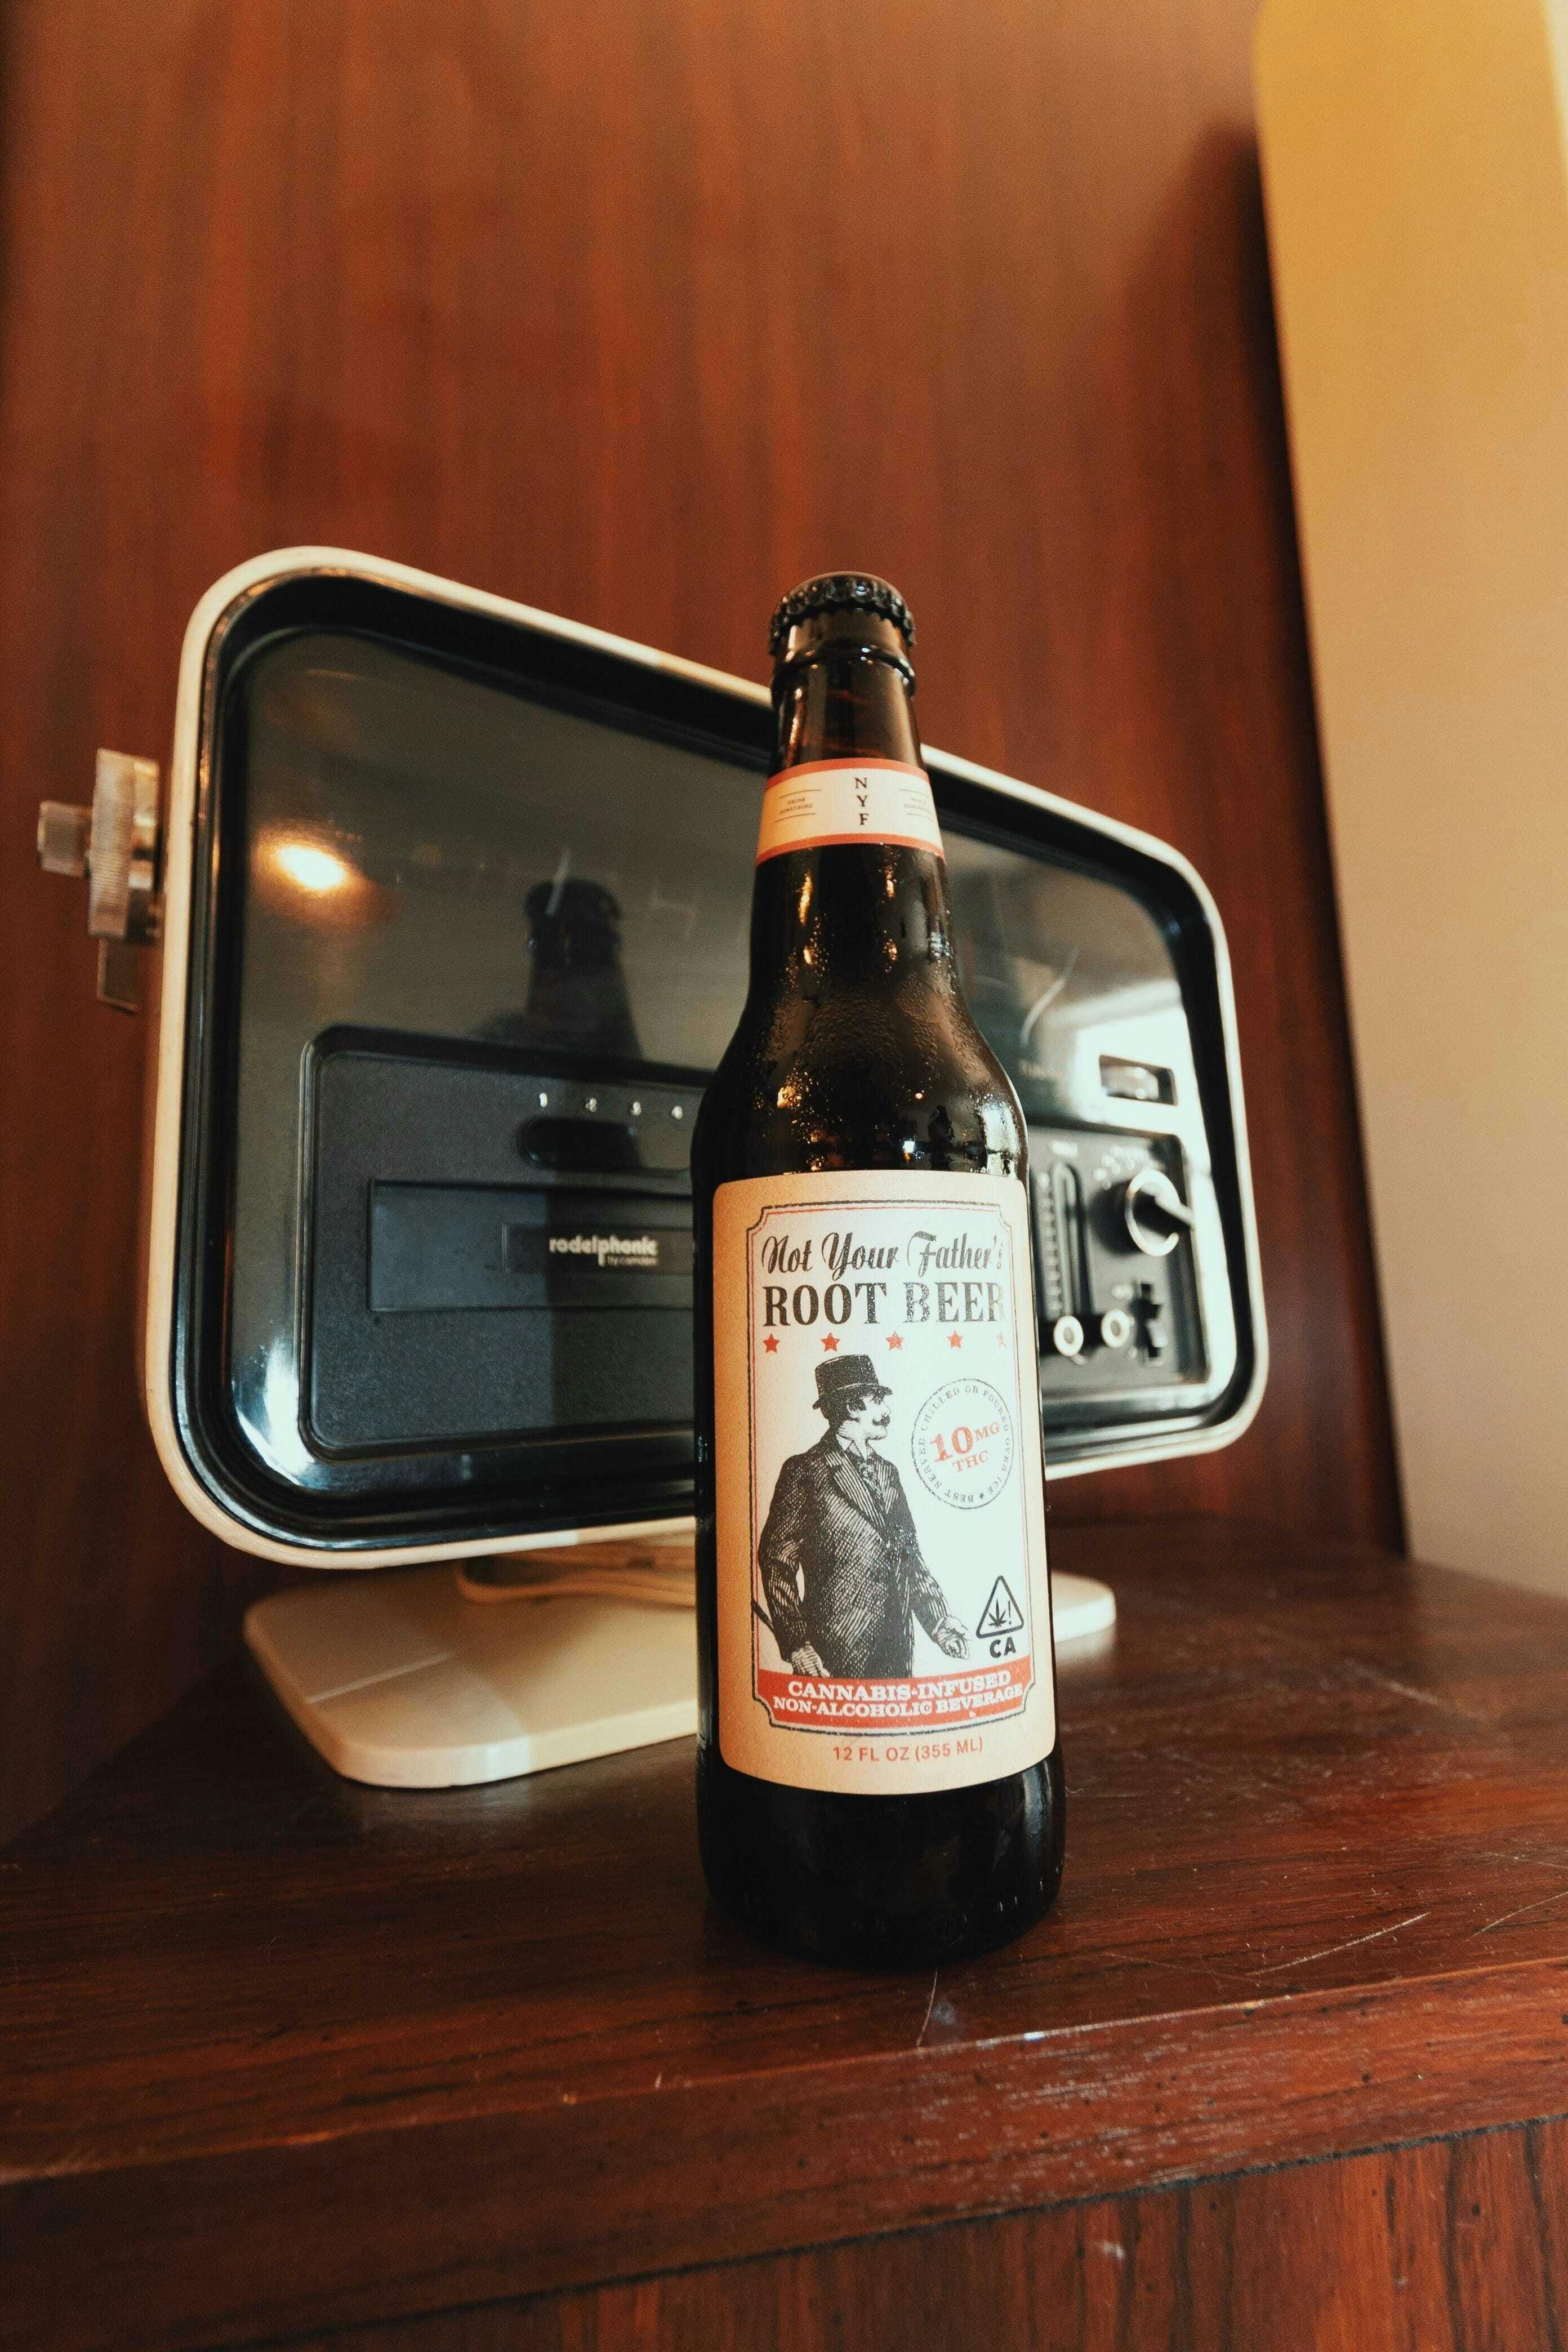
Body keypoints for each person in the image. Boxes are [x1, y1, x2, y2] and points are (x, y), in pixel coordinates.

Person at [758, 1355, 970, 1679]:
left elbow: (909, 1555)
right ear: (853, 1407)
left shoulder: (888, 1472)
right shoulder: (805, 1471)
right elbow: (777, 1561)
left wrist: (939, 1621)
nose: (887, 1411)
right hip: (833, 1656)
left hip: (896, 1651)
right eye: (878, 1401)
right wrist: (797, 1643)